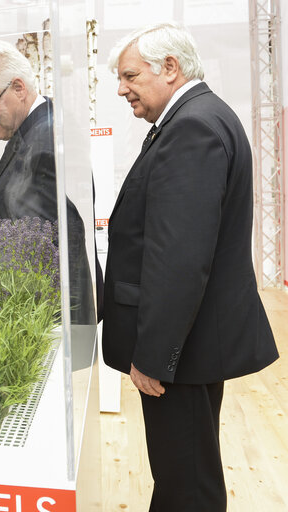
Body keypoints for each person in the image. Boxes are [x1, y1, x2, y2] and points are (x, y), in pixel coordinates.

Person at [103, 23, 278, 511]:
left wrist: (153, 355)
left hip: (178, 350)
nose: (121, 89)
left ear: (171, 68)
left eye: (130, 76)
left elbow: (178, 258)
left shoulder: (192, 127)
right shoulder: (201, 116)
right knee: (186, 472)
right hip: (192, 342)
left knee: (187, 482)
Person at [0, 40, 96, 324]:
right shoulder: (34, 130)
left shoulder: (45, 141)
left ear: (18, 88)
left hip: (45, 321)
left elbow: (50, 253)